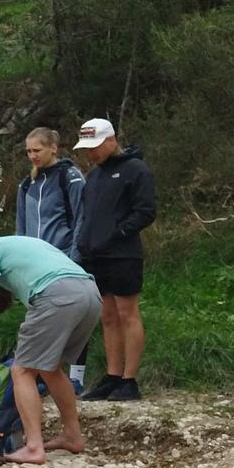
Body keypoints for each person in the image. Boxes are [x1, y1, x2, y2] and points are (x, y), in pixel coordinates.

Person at [0, 229, 102, 465]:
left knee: (22, 370)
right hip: (90, 293)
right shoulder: (25, 243)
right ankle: (72, 436)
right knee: (50, 369)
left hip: (56, 295)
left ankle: (33, 448)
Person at [72, 118, 157, 402]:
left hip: (122, 253)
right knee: (106, 316)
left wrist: (118, 233)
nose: (91, 154)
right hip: (95, 255)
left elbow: (145, 211)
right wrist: (85, 243)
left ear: (111, 140)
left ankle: (129, 379)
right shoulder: (94, 176)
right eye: (87, 149)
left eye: (95, 147)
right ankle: (112, 375)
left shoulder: (135, 169)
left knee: (127, 313)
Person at [13, 127, 86, 392]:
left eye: (37, 150)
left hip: (64, 257)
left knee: (72, 316)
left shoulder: (70, 176)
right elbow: (20, 227)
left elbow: (81, 219)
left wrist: (75, 257)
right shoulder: (26, 184)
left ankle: (76, 375)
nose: (32, 156)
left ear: (53, 148)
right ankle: (45, 372)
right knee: (41, 317)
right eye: (28, 151)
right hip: (35, 263)